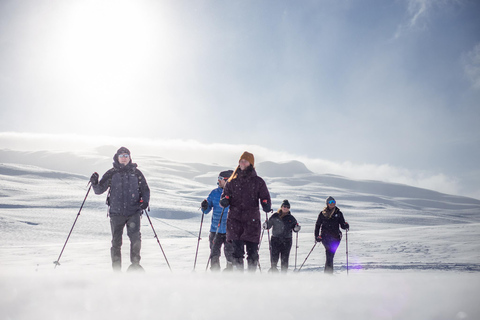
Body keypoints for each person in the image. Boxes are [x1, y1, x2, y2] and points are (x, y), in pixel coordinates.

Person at [89, 147, 150, 272]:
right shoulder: (111, 173)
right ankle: (116, 271)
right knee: (116, 242)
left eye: (126, 155)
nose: (124, 158)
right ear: (117, 157)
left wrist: (145, 201)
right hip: (116, 214)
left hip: (134, 212)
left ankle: (135, 266)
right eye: (121, 155)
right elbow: (99, 190)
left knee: (135, 239)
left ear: (129, 158)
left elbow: (145, 189)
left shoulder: (136, 173)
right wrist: (95, 183)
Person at [220, 151, 271, 272]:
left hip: (252, 221)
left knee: (252, 252)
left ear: (251, 164)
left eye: (245, 161)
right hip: (235, 221)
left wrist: (265, 204)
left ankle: (251, 279)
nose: (242, 163)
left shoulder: (258, 181)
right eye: (241, 161)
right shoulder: (232, 181)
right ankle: (239, 279)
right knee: (237, 253)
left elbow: (265, 196)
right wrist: (224, 201)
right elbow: (224, 196)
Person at [201, 170, 235, 271]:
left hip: (230, 230)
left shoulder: (235, 194)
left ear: (228, 180)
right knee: (214, 253)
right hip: (215, 229)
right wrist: (204, 206)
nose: (218, 181)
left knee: (230, 254)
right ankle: (215, 274)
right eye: (218, 178)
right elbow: (206, 211)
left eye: (221, 179)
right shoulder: (214, 193)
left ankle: (230, 273)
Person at [263, 199, 301, 273]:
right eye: (284, 206)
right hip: (275, 239)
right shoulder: (275, 216)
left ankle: (284, 275)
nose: (285, 208)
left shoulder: (291, 218)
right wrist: (266, 225)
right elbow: (268, 225)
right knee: (274, 258)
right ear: (281, 207)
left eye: (287, 207)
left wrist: (297, 228)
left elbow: (295, 228)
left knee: (285, 259)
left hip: (287, 240)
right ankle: (273, 273)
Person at [314, 196, 349, 274]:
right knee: (329, 254)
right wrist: (317, 236)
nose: (332, 203)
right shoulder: (322, 213)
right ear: (327, 204)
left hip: (336, 238)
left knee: (330, 255)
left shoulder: (338, 213)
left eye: (333, 202)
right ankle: (329, 274)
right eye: (330, 202)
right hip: (325, 237)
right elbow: (317, 225)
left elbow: (342, 225)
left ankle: (327, 273)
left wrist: (346, 225)